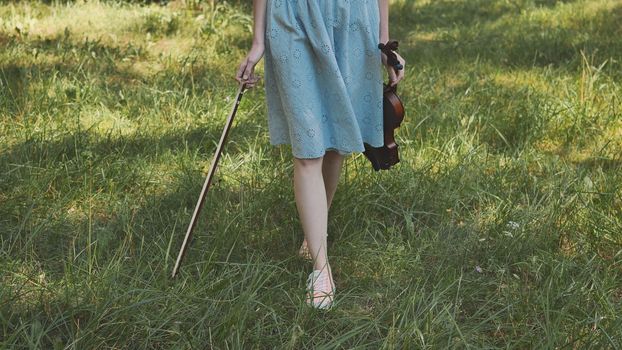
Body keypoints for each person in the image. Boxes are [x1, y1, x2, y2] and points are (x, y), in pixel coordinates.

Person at [235, 0, 405, 309]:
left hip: (351, 19)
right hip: (291, 17)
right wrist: (258, 40)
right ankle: (321, 268)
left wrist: (384, 40)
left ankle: (314, 236)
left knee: (335, 141)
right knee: (308, 150)